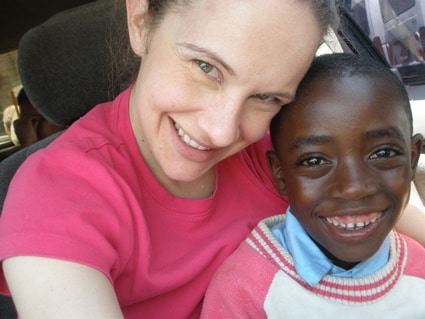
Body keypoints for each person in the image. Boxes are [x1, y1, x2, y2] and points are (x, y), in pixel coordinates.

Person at [0, 1, 423, 318]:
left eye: (266, 97)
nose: (222, 132)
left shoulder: (281, 147)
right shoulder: (54, 196)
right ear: (141, 20)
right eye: (206, 67)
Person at [201, 53, 425, 318]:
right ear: (281, 175)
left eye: (383, 154)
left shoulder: (418, 273)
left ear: (412, 159)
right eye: (315, 160)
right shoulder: (246, 290)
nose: (354, 187)